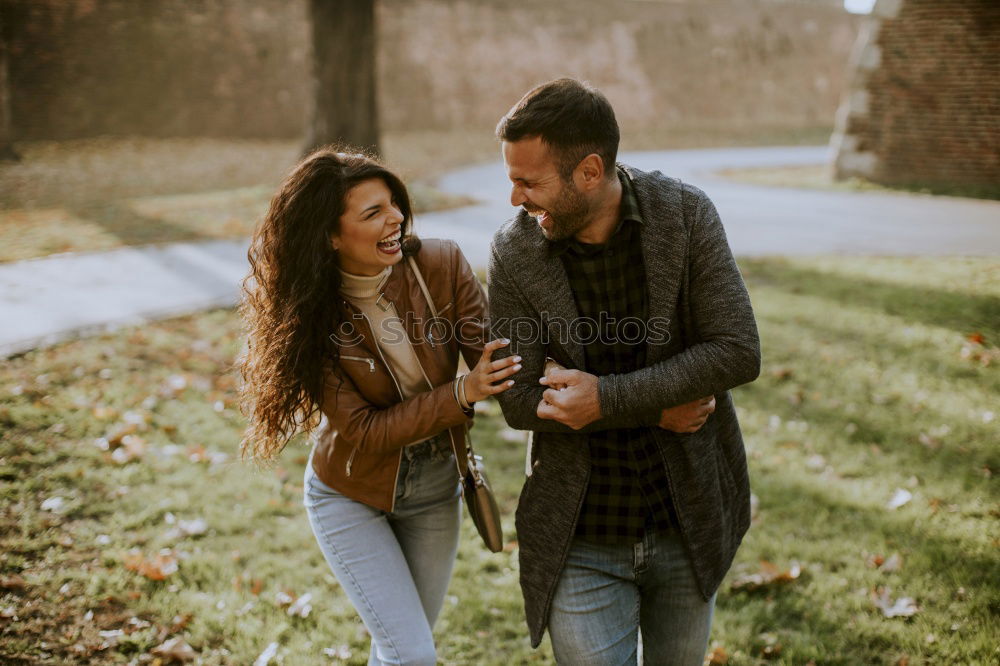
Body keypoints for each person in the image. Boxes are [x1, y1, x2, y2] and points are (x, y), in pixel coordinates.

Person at [487, 78, 761, 664]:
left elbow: (737, 348)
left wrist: (602, 399)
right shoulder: (514, 252)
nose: (515, 199)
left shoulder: (685, 214)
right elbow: (516, 400)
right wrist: (654, 404)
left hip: (685, 519)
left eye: (527, 181)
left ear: (589, 171)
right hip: (579, 537)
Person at [238, 148, 519, 665]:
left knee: (398, 650)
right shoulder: (309, 314)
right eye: (372, 213)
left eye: (392, 203)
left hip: (436, 488)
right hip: (350, 493)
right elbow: (365, 431)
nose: (395, 218)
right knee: (410, 654)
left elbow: (494, 357)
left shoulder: (439, 263)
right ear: (331, 235)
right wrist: (461, 393)